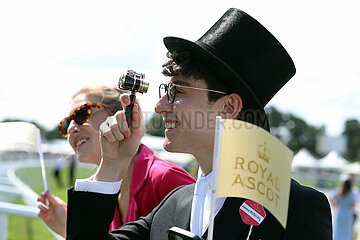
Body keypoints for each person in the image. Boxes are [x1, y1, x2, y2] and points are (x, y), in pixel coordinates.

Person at [66, 8, 333, 239]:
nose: (159, 107)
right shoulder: (172, 205)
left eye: (177, 92)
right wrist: (112, 164)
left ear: (229, 107)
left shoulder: (294, 208)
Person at [37, 85, 195, 238]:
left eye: (82, 114)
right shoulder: (107, 191)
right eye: (66, 124)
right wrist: (70, 229)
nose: (72, 128)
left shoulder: (165, 178)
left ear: (122, 114)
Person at [331, 176, 357, 240]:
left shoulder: (339, 191)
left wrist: (336, 205)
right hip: (348, 213)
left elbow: (331, 197)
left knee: (338, 230)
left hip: (340, 212)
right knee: (347, 231)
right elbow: (353, 205)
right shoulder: (352, 193)